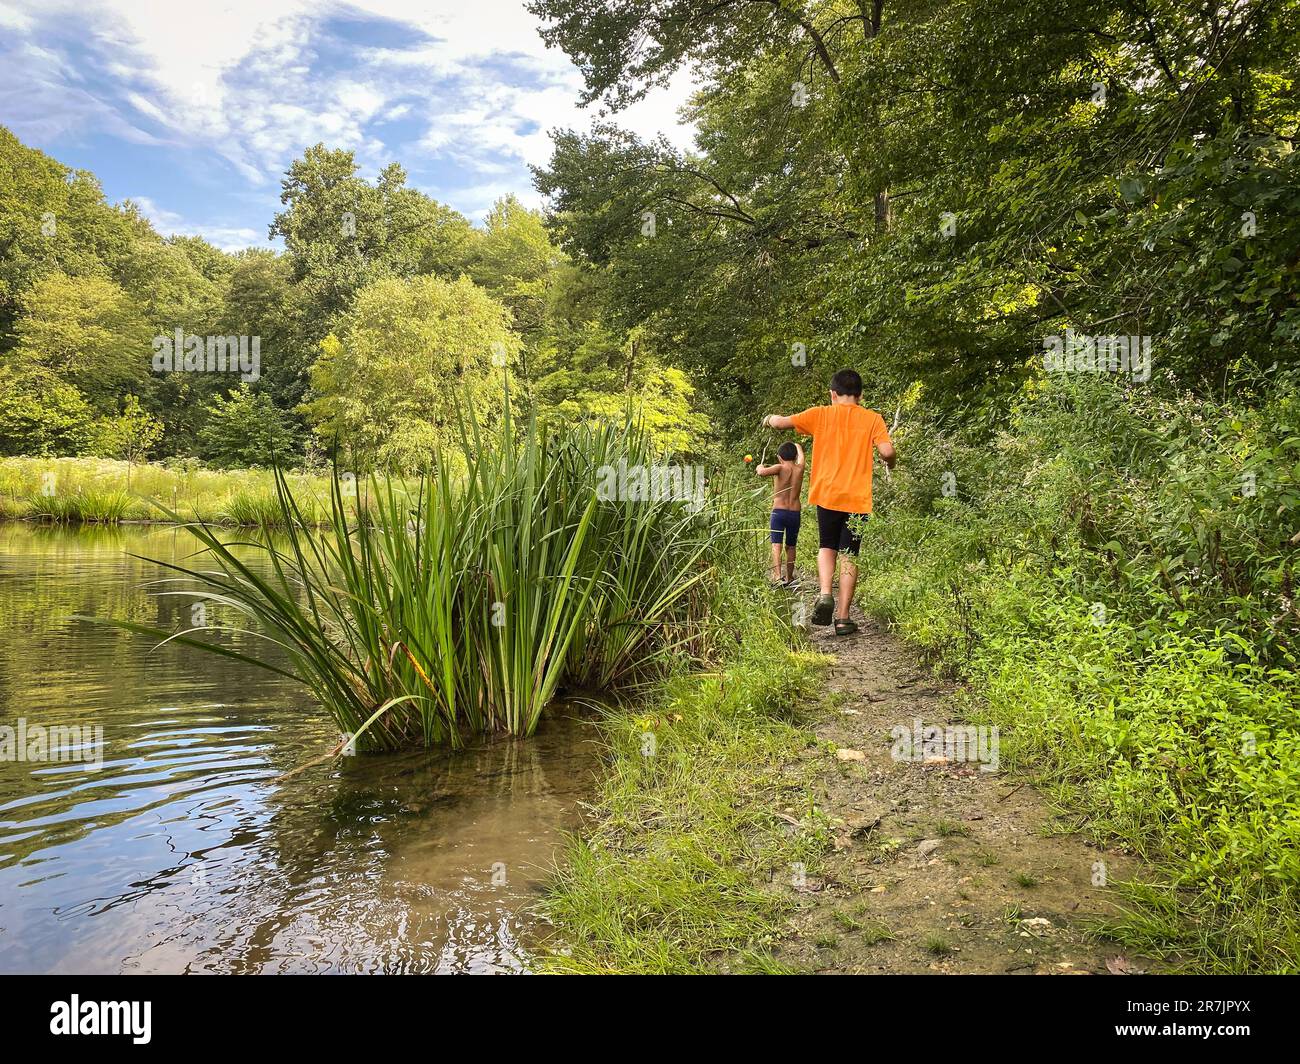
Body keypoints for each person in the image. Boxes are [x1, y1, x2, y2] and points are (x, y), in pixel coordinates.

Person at [762, 369, 896, 635]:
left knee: (827, 546)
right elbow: (887, 451)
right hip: (857, 498)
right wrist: (891, 461)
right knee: (850, 553)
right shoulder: (873, 419)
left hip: (827, 494)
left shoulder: (820, 414)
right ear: (861, 395)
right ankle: (844, 618)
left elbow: (780, 423)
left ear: (832, 394)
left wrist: (769, 419)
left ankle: (825, 594)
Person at [755, 440, 804, 586]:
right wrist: (798, 446)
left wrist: (759, 467)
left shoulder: (779, 467)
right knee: (791, 546)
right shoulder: (799, 468)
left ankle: (777, 577)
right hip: (794, 512)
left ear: (779, 457)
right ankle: (789, 577)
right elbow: (802, 457)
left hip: (779, 512)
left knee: (776, 544)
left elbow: (762, 472)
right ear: (795, 457)